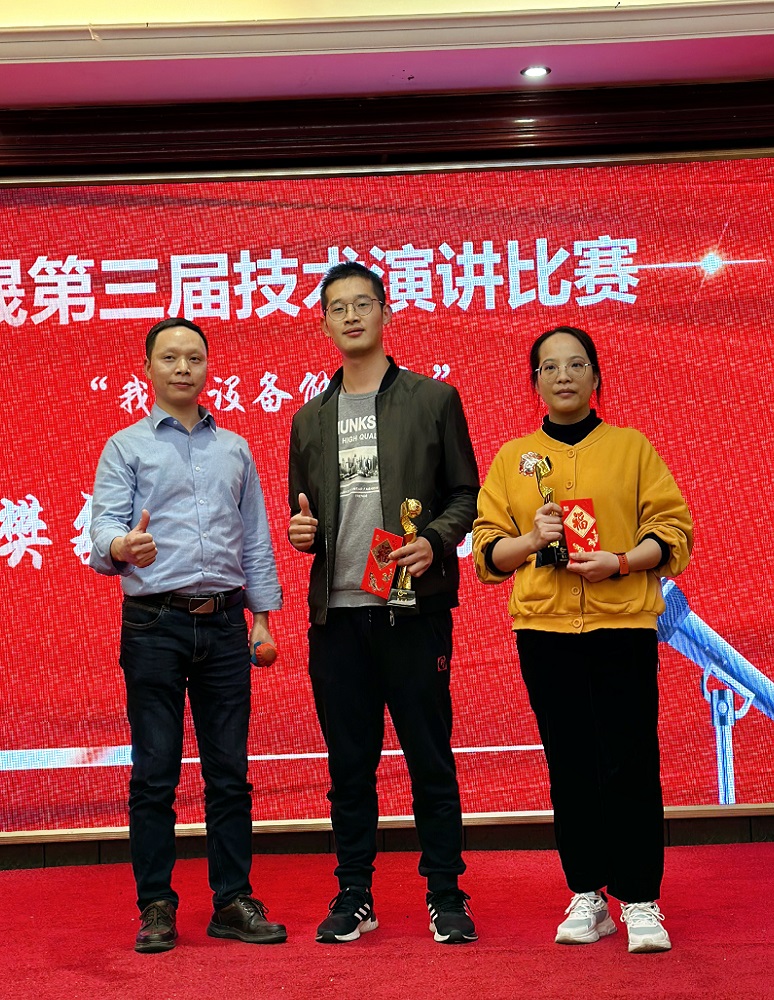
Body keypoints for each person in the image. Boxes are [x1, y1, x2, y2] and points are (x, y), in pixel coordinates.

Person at [473, 326, 692, 954]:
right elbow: (488, 552)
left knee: (630, 761)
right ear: (535, 383)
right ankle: (588, 893)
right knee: (569, 763)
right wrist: (532, 539)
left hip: (621, 625)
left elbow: (673, 531)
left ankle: (641, 898)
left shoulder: (631, 447)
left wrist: (619, 563)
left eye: (576, 365)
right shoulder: (514, 458)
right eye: (550, 367)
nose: (563, 376)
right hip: (545, 630)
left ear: (596, 377)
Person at [288, 261, 479, 945]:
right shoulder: (309, 419)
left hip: (412, 611)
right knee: (349, 767)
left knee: (430, 757)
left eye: (362, 303)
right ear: (323, 323)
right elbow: (305, 514)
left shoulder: (433, 399)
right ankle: (354, 894)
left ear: (386, 312)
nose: (351, 316)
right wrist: (301, 532)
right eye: (337, 307)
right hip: (337, 617)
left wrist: (434, 540)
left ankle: (446, 893)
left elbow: (465, 493)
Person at [89, 317, 287, 953]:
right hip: (154, 624)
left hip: (226, 623)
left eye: (194, 358)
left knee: (229, 773)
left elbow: (255, 538)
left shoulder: (235, 449)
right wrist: (124, 546)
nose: (182, 368)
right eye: (170, 358)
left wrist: (262, 617)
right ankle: (155, 906)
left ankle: (232, 901)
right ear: (147, 368)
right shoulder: (125, 447)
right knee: (155, 774)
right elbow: (102, 532)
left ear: (207, 368)